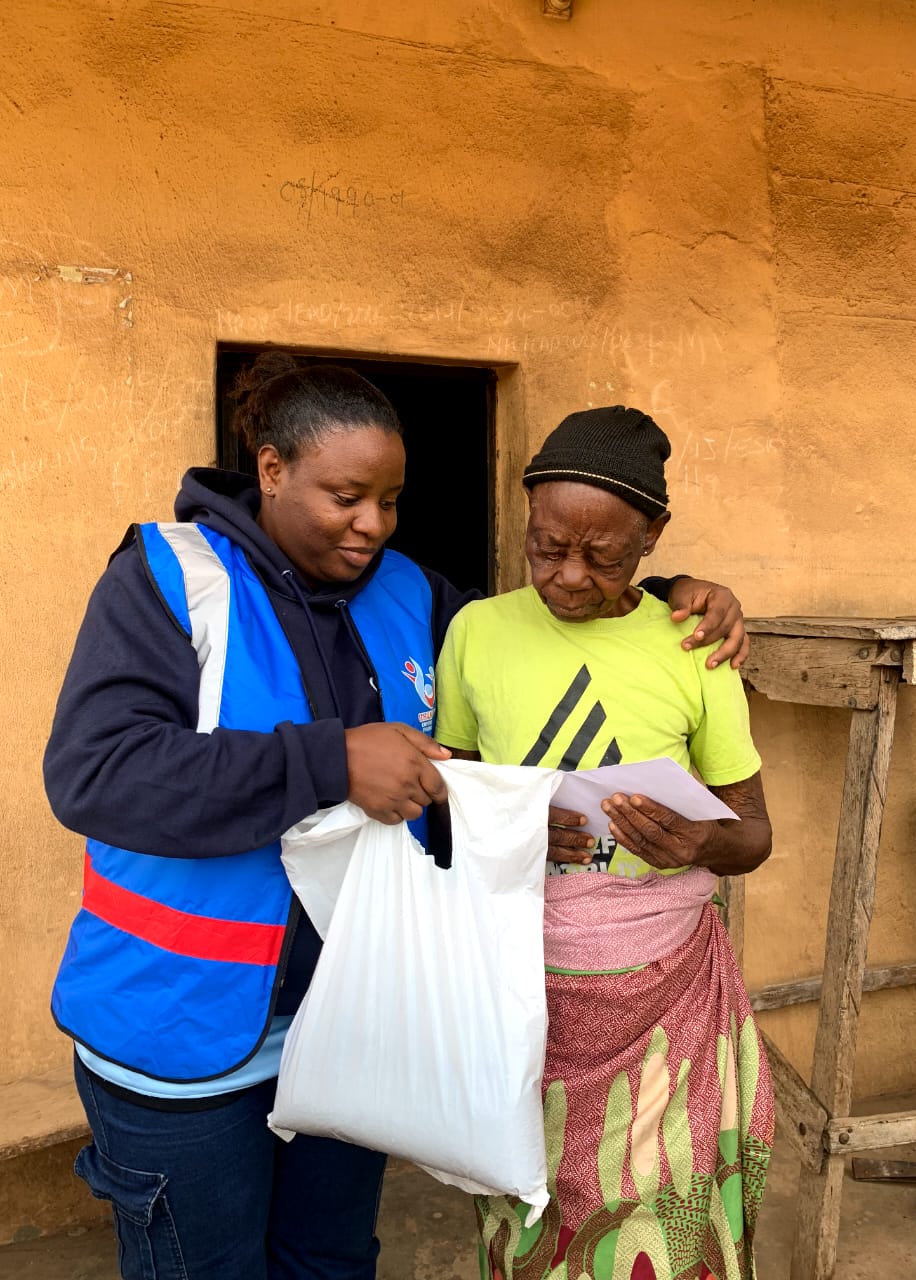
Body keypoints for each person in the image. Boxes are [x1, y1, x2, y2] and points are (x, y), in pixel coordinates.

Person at [44, 355, 752, 1280]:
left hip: (361, 1018)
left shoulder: (412, 594)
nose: (370, 525)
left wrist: (673, 594)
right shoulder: (171, 578)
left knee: (331, 1261)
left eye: (389, 500)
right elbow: (95, 773)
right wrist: (330, 759)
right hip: (185, 1037)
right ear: (270, 470)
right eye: (345, 496)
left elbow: (557, 622)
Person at [435, 405, 774, 1280]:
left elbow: (754, 834)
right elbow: (451, 799)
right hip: (521, 989)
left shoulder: (693, 644)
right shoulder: (476, 631)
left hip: (666, 993)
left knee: (660, 1208)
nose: (571, 577)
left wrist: (699, 838)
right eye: (547, 548)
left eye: (605, 556)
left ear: (653, 537)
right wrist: (506, 819)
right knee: (529, 1207)